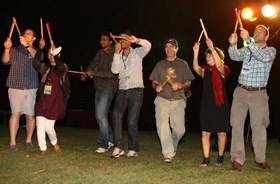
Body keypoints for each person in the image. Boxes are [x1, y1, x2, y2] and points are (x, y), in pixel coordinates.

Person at [228, 25, 276, 170]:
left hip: (258, 94)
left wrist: (248, 40)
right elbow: (234, 56)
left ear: (266, 37)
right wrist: (232, 44)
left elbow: (260, 56)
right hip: (241, 91)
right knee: (236, 124)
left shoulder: (270, 51)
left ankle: (260, 158)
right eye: (255, 31)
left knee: (259, 127)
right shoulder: (248, 48)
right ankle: (237, 158)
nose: (257, 33)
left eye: (260, 32)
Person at [149, 38, 194, 163]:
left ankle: (172, 144)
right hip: (162, 99)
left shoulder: (182, 63)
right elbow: (154, 82)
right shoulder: (160, 64)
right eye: (167, 47)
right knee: (162, 126)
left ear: (176, 49)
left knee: (180, 130)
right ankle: (168, 153)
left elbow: (188, 82)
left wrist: (180, 85)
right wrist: (156, 86)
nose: (169, 49)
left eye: (171, 46)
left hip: (178, 99)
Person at [110, 30, 151, 158]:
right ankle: (118, 147)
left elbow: (148, 45)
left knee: (132, 121)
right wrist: (116, 53)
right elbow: (114, 70)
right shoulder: (118, 54)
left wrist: (137, 40)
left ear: (129, 40)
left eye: (124, 39)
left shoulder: (138, 53)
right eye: (120, 39)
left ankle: (133, 149)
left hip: (136, 90)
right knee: (116, 117)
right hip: (122, 90)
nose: (122, 41)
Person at [2, 28, 44, 151]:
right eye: (25, 33)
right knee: (15, 113)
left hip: (31, 87)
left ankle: (28, 140)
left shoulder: (37, 51)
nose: (26, 35)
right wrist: (7, 48)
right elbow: (5, 61)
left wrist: (27, 46)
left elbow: (39, 61)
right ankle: (13, 143)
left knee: (30, 116)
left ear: (34, 38)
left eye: (29, 34)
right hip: (15, 85)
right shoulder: (15, 50)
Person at [192, 38, 231, 167]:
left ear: (217, 56)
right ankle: (206, 159)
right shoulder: (206, 70)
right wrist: (196, 52)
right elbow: (196, 68)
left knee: (221, 132)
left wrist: (212, 48)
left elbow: (219, 66)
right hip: (207, 104)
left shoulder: (224, 69)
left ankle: (220, 157)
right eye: (207, 55)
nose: (208, 57)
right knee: (205, 132)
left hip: (220, 104)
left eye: (210, 55)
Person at [81, 31, 118, 153]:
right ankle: (111, 139)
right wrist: (86, 74)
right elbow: (92, 65)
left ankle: (104, 144)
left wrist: (94, 73)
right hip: (98, 87)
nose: (101, 42)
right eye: (101, 40)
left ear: (110, 41)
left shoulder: (115, 54)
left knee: (101, 115)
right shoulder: (99, 53)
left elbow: (112, 74)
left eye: (104, 40)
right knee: (99, 116)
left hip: (109, 87)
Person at [33, 45, 70, 156]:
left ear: (58, 55)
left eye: (54, 54)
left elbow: (61, 67)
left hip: (55, 103)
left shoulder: (63, 67)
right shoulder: (45, 67)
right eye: (49, 54)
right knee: (39, 124)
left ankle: (54, 143)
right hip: (43, 101)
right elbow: (35, 64)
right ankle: (42, 148)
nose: (51, 56)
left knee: (49, 127)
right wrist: (40, 48)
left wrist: (55, 54)